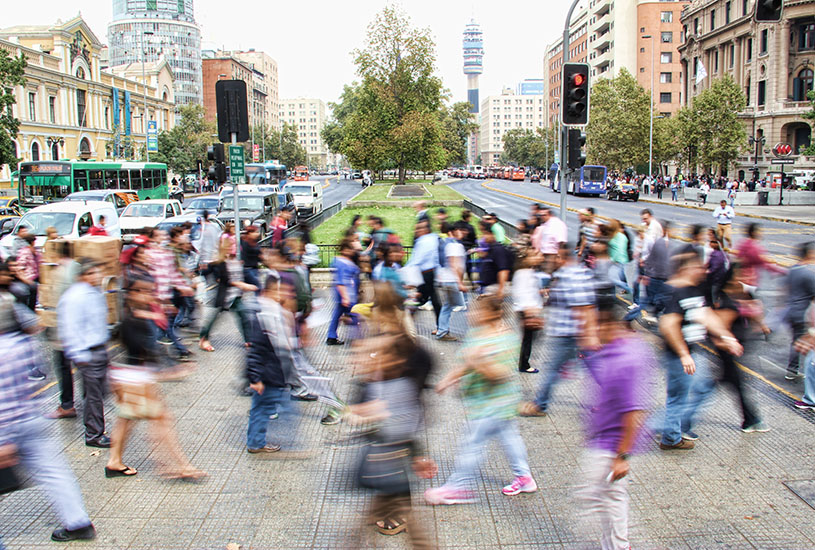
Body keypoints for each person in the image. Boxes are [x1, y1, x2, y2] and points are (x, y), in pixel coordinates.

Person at [425, 291, 537, 505]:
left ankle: (459, 487)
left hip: (493, 403)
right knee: (510, 437)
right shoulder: (478, 333)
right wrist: (448, 379)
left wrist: (478, 362)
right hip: (489, 402)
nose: (470, 314)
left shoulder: (504, 338)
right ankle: (524, 477)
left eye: (476, 311)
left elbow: (501, 374)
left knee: (472, 443)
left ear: (491, 314)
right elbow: (466, 363)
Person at [0, 324, 97, 542]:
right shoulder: (20, 343)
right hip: (32, 418)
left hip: (7, 426)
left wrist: (4, 440)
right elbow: (39, 377)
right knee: (55, 472)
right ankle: (78, 522)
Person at [106, 277, 205, 480]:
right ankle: (177, 466)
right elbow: (145, 351)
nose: (149, 295)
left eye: (150, 291)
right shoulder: (133, 320)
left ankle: (114, 461)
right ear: (132, 294)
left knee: (126, 421)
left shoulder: (139, 317)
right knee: (161, 420)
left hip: (129, 378)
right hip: (135, 380)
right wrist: (171, 371)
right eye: (143, 291)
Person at [576, 289, 652, 550]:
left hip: (611, 444)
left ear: (607, 324)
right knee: (612, 499)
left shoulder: (626, 359)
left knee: (593, 498)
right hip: (605, 439)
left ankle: (619, 545)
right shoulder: (620, 348)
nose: (592, 330)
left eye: (595, 324)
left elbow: (635, 411)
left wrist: (623, 456)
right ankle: (619, 545)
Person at [658, 253, 742, 450]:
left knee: (702, 388)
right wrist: (683, 354)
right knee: (678, 397)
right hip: (680, 354)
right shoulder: (676, 292)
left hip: (692, 351)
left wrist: (727, 337)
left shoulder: (694, 290)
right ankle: (668, 435)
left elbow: (706, 315)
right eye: (699, 268)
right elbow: (669, 325)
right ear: (687, 269)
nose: (704, 271)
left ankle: (674, 430)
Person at [520, 243, 598, 417]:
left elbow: (584, 307)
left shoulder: (572, 275)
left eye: (555, 256)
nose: (552, 259)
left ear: (562, 257)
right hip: (568, 332)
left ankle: (540, 405)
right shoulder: (569, 273)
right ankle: (611, 401)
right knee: (592, 368)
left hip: (570, 334)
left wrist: (588, 335)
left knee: (553, 370)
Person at [57, 259, 111, 448]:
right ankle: (94, 434)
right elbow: (70, 328)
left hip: (99, 349)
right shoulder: (75, 297)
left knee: (98, 393)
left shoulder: (95, 293)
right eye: (91, 273)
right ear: (81, 276)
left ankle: (95, 428)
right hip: (88, 353)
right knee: (93, 396)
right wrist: (80, 355)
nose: (96, 276)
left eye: (96, 272)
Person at [713, 263, 768, 433]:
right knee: (735, 383)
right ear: (732, 277)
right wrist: (726, 343)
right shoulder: (724, 297)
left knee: (728, 381)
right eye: (740, 274)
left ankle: (751, 419)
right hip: (728, 348)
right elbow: (718, 327)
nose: (744, 277)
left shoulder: (744, 291)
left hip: (738, 346)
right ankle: (751, 420)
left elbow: (756, 310)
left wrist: (761, 323)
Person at [198, 240, 257, 352]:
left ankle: (249, 340)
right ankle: (203, 338)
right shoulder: (220, 262)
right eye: (230, 246)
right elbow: (225, 279)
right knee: (214, 318)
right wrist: (242, 285)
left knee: (244, 316)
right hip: (224, 296)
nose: (233, 248)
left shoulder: (236, 261)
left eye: (234, 245)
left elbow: (241, 275)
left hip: (235, 296)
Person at [45, 242, 80, 419]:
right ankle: (88, 402)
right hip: (78, 330)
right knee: (80, 365)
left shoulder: (61, 272)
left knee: (63, 366)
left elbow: (58, 303)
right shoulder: (78, 267)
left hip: (65, 331)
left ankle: (67, 405)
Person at [783, 242, 815, 381]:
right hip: (802, 312)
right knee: (803, 341)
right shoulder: (808, 274)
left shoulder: (792, 269)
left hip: (791, 310)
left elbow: (785, 289)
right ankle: (793, 370)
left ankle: (793, 369)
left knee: (796, 340)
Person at [512, 248, 544, 373]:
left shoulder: (528, 272)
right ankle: (524, 365)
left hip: (529, 310)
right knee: (528, 339)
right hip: (526, 311)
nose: (538, 257)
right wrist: (529, 311)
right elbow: (521, 293)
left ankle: (524, 363)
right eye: (534, 255)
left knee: (529, 338)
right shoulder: (523, 273)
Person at [406, 220, 441, 329]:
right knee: (430, 300)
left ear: (425, 229)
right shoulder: (434, 238)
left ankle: (406, 320)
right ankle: (441, 327)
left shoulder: (423, 241)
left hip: (425, 274)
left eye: (419, 228)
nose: (417, 231)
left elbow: (417, 259)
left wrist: (405, 272)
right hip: (429, 273)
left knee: (423, 299)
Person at [435, 222, 467, 341]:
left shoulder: (446, 244)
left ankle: (442, 331)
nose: (461, 233)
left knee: (448, 306)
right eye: (459, 230)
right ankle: (442, 331)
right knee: (461, 305)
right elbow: (454, 265)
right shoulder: (454, 245)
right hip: (452, 280)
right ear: (452, 232)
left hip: (445, 279)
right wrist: (460, 283)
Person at [326, 238, 360, 346]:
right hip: (347, 294)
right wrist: (345, 297)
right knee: (354, 314)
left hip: (344, 294)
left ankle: (331, 336)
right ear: (345, 249)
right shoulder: (343, 263)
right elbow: (341, 281)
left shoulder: (339, 261)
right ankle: (357, 338)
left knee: (337, 315)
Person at [477, 220, 512, 299]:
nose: (483, 237)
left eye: (485, 234)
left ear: (492, 234)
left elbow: (503, 270)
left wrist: (500, 289)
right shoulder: (490, 249)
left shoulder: (498, 250)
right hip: (490, 287)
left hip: (495, 287)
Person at [531, 207, 568, 272]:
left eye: (544, 215)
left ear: (550, 215)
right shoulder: (545, 224)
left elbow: (561, 242)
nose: (542, 217)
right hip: (543, 254)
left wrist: (560, 257)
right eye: (540, 215)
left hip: (552, 255)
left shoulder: (557, 224)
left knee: (549, 273)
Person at [15, 234, 40, 310]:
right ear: (32, 242)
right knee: (29, 302)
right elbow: (20, 268)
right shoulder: (24, 252)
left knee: (33, 300)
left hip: (35, 277)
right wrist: (26, 280)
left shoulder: (34, 251)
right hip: (29, 279)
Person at [241, 225, 262, 290]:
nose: (257, 234)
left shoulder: (254, 242)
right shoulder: (245, 242)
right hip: (248, 269)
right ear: (249, 233)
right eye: (255, 232)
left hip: (254, 268)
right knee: (258, 288)